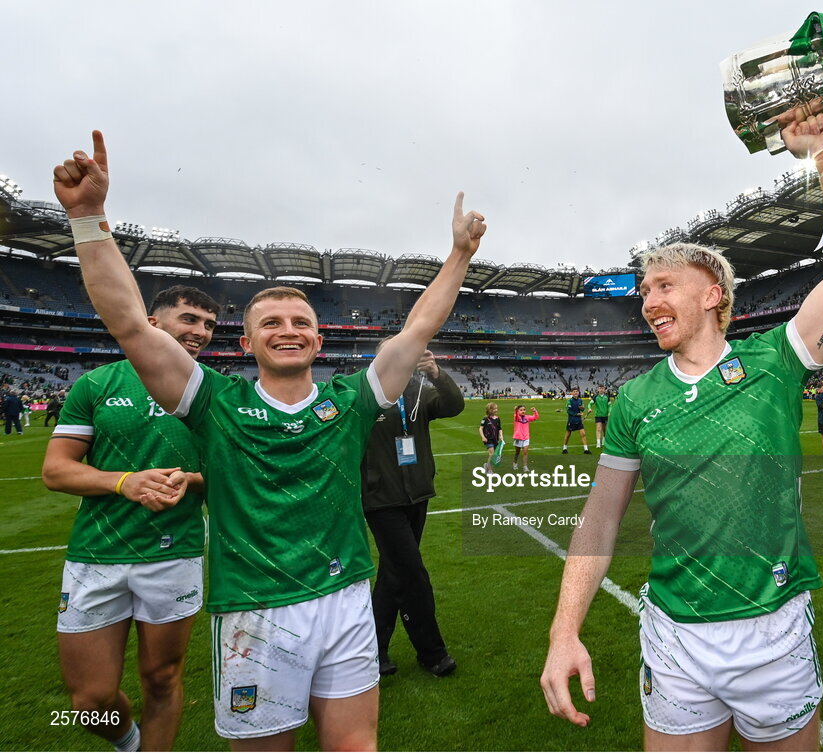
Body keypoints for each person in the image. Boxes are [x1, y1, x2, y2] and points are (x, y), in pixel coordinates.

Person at [52, 130, 486, 750]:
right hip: (253, 611)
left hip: (343, 599)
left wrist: (459, 255)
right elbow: (126, 321)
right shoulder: (213, 402)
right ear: (246, 344)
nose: (288, 330)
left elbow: (418, 327)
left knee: (352, 745)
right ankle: (124, 738)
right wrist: (90, 219)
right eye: (271, 323)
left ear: (317, 341)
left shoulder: (349, 402)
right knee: (93, 703)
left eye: (301, 323)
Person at [541, 112, 823, 751]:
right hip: (675, 634)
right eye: (644, 291)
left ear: (714, 295)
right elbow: (599, 519)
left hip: (774, 630)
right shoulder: (636, 398)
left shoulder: (774, 360)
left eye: (664, 285)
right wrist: (565, 631)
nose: (648, 301)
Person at [42, 285, 220, 752]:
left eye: (208, 325)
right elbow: (56, 469)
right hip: (97, 554)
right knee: (88, 701)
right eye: (189, 319)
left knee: (161, 679)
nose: (200, 332)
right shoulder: (96, 384)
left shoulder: (212, 393)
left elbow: (233, 477)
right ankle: (131, 741)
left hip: (173, 553)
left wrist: (193, 480)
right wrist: (125, 482)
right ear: (153, 322)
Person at [361, 346, 464, 679]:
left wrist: (436, 373)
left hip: (417, 494)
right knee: (413, 573)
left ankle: (374, 650)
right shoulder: (362, 393)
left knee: (395, 574)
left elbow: (453, 405)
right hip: (381, 499)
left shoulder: (418, 389)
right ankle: (432, 652)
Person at [561, 387, 590, 454]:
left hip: (579, 420)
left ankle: (586, 449)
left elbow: (582, 409)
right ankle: (564, 448)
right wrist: (576, 414)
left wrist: (582, 409)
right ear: (571, 393)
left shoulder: (580, 400)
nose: (575, 392)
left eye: (576, 391)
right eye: (574, 391)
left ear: (578, 392)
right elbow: (568, 411)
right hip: (571, 420)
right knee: (568, 435)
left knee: (583, 434)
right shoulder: (569, 401)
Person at [512, 404, 539, 471]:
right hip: (519, 437)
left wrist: (534, 411)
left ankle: (525, 466)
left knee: (525, 452)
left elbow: (535, 417)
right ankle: (515, 463)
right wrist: (515, 411)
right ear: (518, 411)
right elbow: (516, 416)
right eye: (521, 410)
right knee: (517, 452)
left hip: (526, 437)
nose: (523, 411)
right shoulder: (517, 417)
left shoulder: (527, 417)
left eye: (524, 410)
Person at [479, 402, 503, 472]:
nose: (496, 410)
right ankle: (490, 470)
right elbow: (480, 428)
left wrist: (501, 436)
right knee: (491, 453)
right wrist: (483, 437)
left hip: (495, 439)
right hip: (488, 439)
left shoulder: (498, 418)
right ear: (490, 410)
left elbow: (499, 428)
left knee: (494, 455)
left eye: (496, 408)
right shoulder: (485, 419)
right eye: (494, 409)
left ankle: (487, 465)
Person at [591, 384, 612, 448]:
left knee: (605, 429)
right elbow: (590, 404)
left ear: (604, 389)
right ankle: (598, 443)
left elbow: (610, 406)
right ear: (598, 389)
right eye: (600, 388)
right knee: (598, 428)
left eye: (602, 388)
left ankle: (604, 440)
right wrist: (589, 408)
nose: (601, 389)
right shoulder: (595, 396)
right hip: (598, 415)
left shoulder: (607, 397)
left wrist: (609, 411)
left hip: (605, 415)